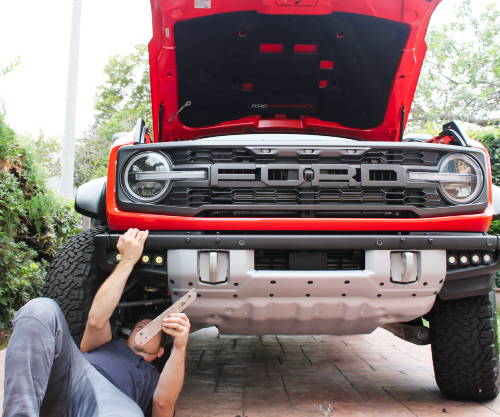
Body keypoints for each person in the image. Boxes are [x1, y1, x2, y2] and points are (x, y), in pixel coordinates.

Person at [3, 228, 189, 417]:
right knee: (39, 309)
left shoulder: (153, 379)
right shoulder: (106, 344)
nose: (145, 326)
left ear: (160, 352)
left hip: (111, 405)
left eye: (155, 329)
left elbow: (163, 403)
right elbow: (97, 320)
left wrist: (180, 346)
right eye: (141, 324)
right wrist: (127, 260)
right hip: (70, 380)